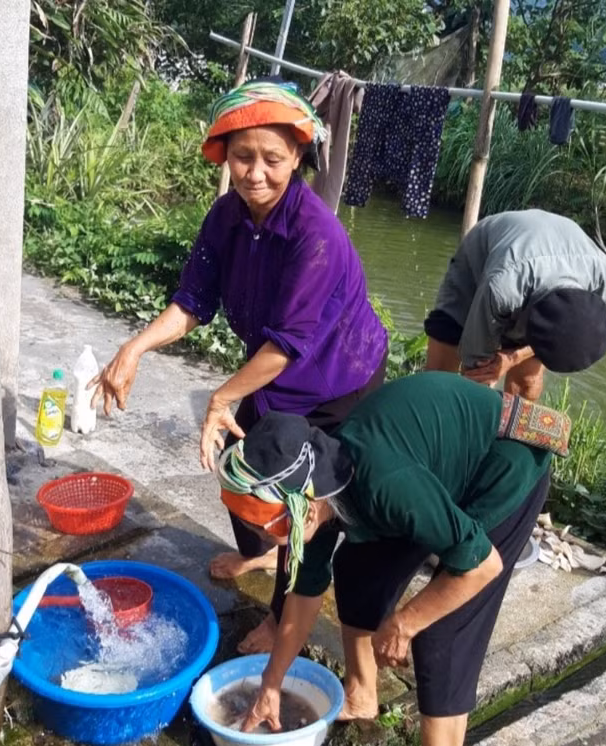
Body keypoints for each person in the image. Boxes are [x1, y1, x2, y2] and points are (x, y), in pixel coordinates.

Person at [92, 79, 387, 652]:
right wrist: (134, 348)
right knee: (238, 465)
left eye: (272, 159)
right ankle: (259, 552)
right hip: (275, 372)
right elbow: (193, 301)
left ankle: (282, 620)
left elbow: (287, 344)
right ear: (225, 155)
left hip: (338, 380)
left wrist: (221, 397)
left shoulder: (316, 234)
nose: (255, 173)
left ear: (298, 157)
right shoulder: (227, 217)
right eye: (242, 156)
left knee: (297, 498)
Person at [216, 371, 563, 746]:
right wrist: (271, 685)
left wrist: (406, 621)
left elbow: (481, 565)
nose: (264, 534)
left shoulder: (384, 483)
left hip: (505, 466)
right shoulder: (318, 483)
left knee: (442, 631)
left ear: (301, 506)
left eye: (265, 521)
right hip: (432, 470)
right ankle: (361, 693)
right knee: (357, 570)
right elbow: (303, 598)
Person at [424, 209, 606, 400]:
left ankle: (511, 434)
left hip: (552, 256)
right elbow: (475, 368)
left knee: (526, 383)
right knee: (443, 374)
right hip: (485, 255)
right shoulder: (502, 288)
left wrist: (514, 356)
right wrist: (486, 378)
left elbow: (576, 335)